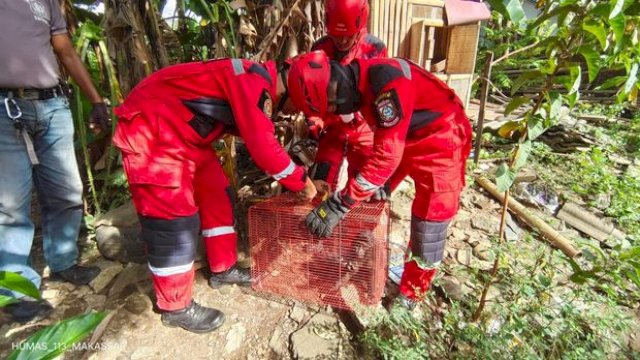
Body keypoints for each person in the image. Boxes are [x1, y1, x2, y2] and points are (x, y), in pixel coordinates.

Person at [113, 58, 318, 333]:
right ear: (293, 92)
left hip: (183, 134)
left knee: (218, 196)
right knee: (173, 222)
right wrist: (301, 182)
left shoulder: (257, 80)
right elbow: (263, 147)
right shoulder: (253, 83)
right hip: (154, 132)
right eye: (297, 107)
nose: (294, 114)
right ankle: (175, 307)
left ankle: (224, 269)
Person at [287, 51, 472, 307]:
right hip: (402, 140)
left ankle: (411, 295)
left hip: (441, 143)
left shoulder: (386, 82)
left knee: (429, 227)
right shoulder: (356, 85)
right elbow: (342, 139)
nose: (333, 111)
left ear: (336, 90)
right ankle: (357, 254)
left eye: (331, 106)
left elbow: (386, 157)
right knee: (370, 197)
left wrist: (338, 204)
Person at [0, 0, 106, 323]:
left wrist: (96, 100)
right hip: (4, 108)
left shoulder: (46, 1)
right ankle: (14, 291)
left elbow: (66, 51)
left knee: (68, 190)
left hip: (52, 105)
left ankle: (62, 262)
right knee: (10, 203)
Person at [308, 0, 386, 190]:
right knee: (320, 183)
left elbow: (380, 92)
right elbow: (310, 91)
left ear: (360, 29)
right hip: (331, 129)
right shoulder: (320, 49)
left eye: (348, 36)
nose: (342, 41)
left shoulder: (374, 49)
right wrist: (314, 118)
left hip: (363, 130)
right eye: (336, 35)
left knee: (363, 189)